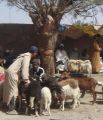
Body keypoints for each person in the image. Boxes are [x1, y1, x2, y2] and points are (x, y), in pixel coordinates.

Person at [3, 46, 38, 114]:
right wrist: (26, 79)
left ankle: (5, 105)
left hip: (8, 72)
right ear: (34, 53)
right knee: (14, 90)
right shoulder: (27, 56)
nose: (36, 55)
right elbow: (25, 68)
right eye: (36, 53)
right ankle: (11, 109)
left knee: (8, 90)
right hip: (12, 73)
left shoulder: (23, 55)